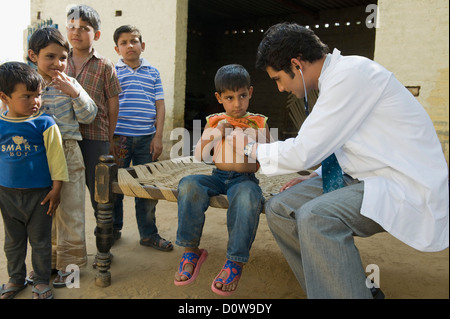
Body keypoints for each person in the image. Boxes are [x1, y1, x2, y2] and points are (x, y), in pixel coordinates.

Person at [226, 22, 449, 298]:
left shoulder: (351, 75)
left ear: (296, 65)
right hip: (362, 174)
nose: (281, 89)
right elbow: (344, 144)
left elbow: (303, 151)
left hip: (401, 182)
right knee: (280, 208)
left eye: (278, 79)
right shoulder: (337, 79)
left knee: (316, 217)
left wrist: (249, 148)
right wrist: (318, 174)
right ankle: (342, 290)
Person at [174, 64, 271, 296]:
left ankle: (235, 261)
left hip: (244, 180)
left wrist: (253, 137)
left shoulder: (258, 121)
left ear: (250, 92)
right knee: (188, 184)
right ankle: (191, 251)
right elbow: (199, 154)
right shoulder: (214, 120)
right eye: (229, 97)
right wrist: (219, 133)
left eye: (242, 96)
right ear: (219, 98)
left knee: (249, 198)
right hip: (217, 178)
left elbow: (270, 153)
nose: (237, 104)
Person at [27, 27, 97, 287]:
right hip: (37, 155)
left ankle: (71, 267)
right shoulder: (28, 84)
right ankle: (47, 264)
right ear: (33, 56)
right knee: (43, 212)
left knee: (71, 211)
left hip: (68, 152)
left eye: (63, 58)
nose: (58, 63)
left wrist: (74, 94)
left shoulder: (71, 83)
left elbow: (90, 115)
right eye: (50, 57)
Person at [0, 62, 68, 299]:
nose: (35, 101)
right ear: (4, 97)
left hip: (40, 195)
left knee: (40, 241)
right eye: (27, 96)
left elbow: (57, 158)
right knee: (13, 242)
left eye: (38, 95)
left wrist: (57, 188)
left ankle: (40, 281)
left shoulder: (45, 124)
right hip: (6, 195)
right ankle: (15, 279)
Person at [111, 25, 171, 250]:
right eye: (124, 42)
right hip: (121, 140)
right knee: (116, 186)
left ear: (142, 46)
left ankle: (148, 234)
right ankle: (113, 229)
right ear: (117, 48)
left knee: (147, 187)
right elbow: (109, 105)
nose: (130, 46)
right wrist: (110, 138)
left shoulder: (153, 72)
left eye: (134, 41)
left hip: (147, 139)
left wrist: (158, 137)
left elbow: (160, 105)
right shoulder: (113, 72)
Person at [65, 5, 122, 229]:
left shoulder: (105, 65)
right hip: (65, 136)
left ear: (96, 34)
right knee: (66, 189)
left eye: (84, 28)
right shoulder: (60, 62)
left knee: (99, 190)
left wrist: (109, 139)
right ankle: (68, 247)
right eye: (71, 27)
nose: (76, 32)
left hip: (95, 136)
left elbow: (113, 103)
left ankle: (105, 237)